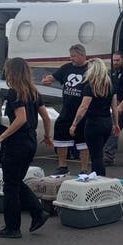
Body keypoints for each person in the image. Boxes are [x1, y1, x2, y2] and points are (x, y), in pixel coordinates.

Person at [0, 58, 53, 239]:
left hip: (18, 143)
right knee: (15, 181)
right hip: (30, 141)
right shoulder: (33, 91)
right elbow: (45, 117)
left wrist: (0, 137)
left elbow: (20, 118)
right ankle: (38, 212)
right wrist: (47, 136)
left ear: (12, 72)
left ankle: (13, 227)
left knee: (10, 185)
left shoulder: (15, 93)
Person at [41, 44, 90, 176]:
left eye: (74, 56)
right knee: (60, 135)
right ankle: (62, 166)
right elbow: (54, 77)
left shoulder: (90, 69)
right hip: (67, 110)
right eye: (71, 56)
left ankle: (84, 169)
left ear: (82, 55)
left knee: (83, 141)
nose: (71, 58)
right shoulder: (67, 68)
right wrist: (47, 80)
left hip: (82, 112)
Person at [70, 58, 120, 176]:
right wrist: (116, 124)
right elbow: (114, 107)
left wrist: (74, 124)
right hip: (106, 121)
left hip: (93, 122)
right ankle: (98, 177)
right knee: (98, 153)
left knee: (95, 155)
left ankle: (99, 179)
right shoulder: (110, 86)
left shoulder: (90, 86)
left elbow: (83, 107)